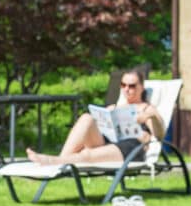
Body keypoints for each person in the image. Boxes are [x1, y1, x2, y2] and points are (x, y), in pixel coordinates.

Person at [27, 70, 164, 165]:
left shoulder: (147, 109)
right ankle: (60, 160)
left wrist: (152, 117)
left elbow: (159, 135)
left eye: (132, 86)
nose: (126, 89)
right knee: (86, 118)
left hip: (129, 147)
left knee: (87, 155)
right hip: (107, 141)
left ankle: (53, 162)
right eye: (123, 85)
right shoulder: (114, 108)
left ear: (141, 87)